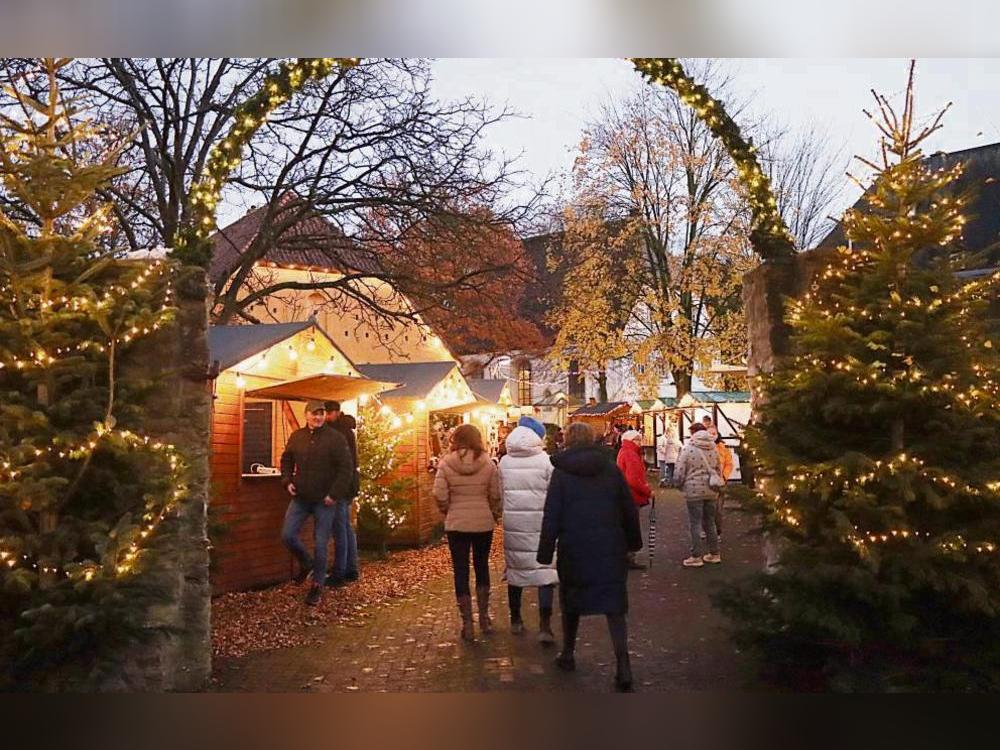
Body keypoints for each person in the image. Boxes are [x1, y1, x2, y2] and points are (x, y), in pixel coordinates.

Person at [538, 422, 642, 692]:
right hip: (609, 547)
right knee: (614, 607)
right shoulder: (611, 469)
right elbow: (627, 507)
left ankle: (568, 653)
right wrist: (633, 542)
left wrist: (545, 552)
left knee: (572, 601)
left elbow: (552, 514)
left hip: (575, 547)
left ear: (568, 441)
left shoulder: (561, 474)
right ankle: (623, 665)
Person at [280, 400, 354, 605]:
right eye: (314, 414)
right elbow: (286, 459)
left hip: (325, 500)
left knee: (321, 543)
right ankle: (306, 562)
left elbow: (345, 469)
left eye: (321, 414)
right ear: (306, 415)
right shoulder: (297, 437)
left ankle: (317, 586)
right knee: (287, 535)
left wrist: (334, 494)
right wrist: (287, 481)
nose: (318, 417)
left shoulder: (335, 439)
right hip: (301, 497)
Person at [433, 423, 501, 641]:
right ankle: (483, 617)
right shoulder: (488, 464)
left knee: (460, 570)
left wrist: (447, 509)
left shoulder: (446, 463)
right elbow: (495, 493)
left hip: (457, 524)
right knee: (482, 567)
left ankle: (467, 624)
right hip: (482, 522)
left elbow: (439, 493)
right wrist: (492, 511)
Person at [498, 416, 559, 643]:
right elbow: (553, 494)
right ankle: (545, 626)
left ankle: (516, 620)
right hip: (542, 523)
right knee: (544, 572)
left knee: (516, 570)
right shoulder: (546, 461)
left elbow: (500, 493)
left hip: (514, 524)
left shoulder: (504, 461)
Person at [673, 423, 722, 568]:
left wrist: (678, 484)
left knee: (695, 523)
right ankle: (714, 553)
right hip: (711, 490)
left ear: (693, 433)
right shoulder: (714, 449)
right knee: (710, 522)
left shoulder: (688, 449)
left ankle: (696, 556)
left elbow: (680, 470)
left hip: (693, 491)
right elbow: (718, 469)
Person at [324, 400, 359, 586]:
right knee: (345, 527)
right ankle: (351, 568)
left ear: (335, 412)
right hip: (349, 484)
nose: (325, 417)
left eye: (327, 414)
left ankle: (339, 573)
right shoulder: (347, 430)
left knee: (340, 528)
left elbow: (341, 462)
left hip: (341, 485)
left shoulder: (339, 432)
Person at [616, 429, 652, 570]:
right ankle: (628, 557)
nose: (640, 442)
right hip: (632, 495)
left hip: (626, 495)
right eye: (638, 439)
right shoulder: (631, 454)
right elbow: (633, 479)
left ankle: (625, 556)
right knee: (631, 526)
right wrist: (647, 491)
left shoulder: (624, 452)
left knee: (627, 525)